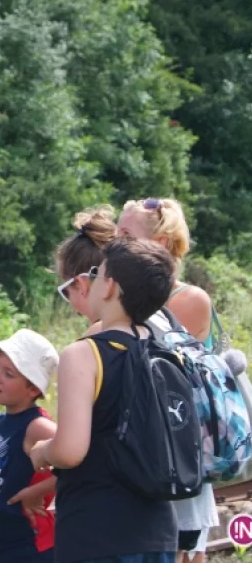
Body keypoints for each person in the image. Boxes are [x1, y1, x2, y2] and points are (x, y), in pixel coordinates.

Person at [31, 236, 179, 563]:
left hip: (97, 532)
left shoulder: (84, 354)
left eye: (97, 273)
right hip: (158, 532)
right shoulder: (165, 351)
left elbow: (70, 451)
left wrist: (43, 451)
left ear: (109, 287)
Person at [117, 198, 220, 562]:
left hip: (178, 452)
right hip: (144, 452)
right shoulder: (123, 297)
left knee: (182, 552)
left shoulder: (188, 300)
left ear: (159, 245)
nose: (115, 242)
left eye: (126, 235)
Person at [0, 329, 59, 563]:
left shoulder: (37, 426)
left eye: (9, 374)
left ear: (33, 389)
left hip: (27, 550)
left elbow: (86, 464)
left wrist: (36, 492)